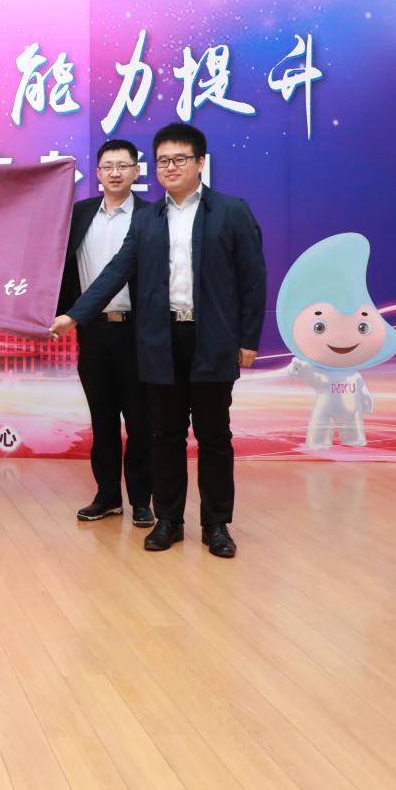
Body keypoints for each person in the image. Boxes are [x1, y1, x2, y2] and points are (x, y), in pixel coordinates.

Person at [50, 123, 265, 559]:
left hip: (211, 340)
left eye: (179, 159)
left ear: (200, 163)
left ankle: (216, 524)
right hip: (160, 340)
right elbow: (114, 272)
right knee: (164, 434)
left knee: (214, 436)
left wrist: (248, 339)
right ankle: (169, 521)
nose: (170, 167)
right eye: (163, 160)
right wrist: (75, 315)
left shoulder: (231, 211)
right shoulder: (148, 219)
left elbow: (253, 280)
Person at [58, 139, 154, 525]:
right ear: (97, 173)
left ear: (136, 172)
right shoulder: (78, 214)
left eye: (123, 166)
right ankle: (108, 496)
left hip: (138, 333)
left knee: (141, 422)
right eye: (108, 166)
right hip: (93, 332)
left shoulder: (152, 216)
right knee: (102, 420)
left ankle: (143, 501)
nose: (115, 173)